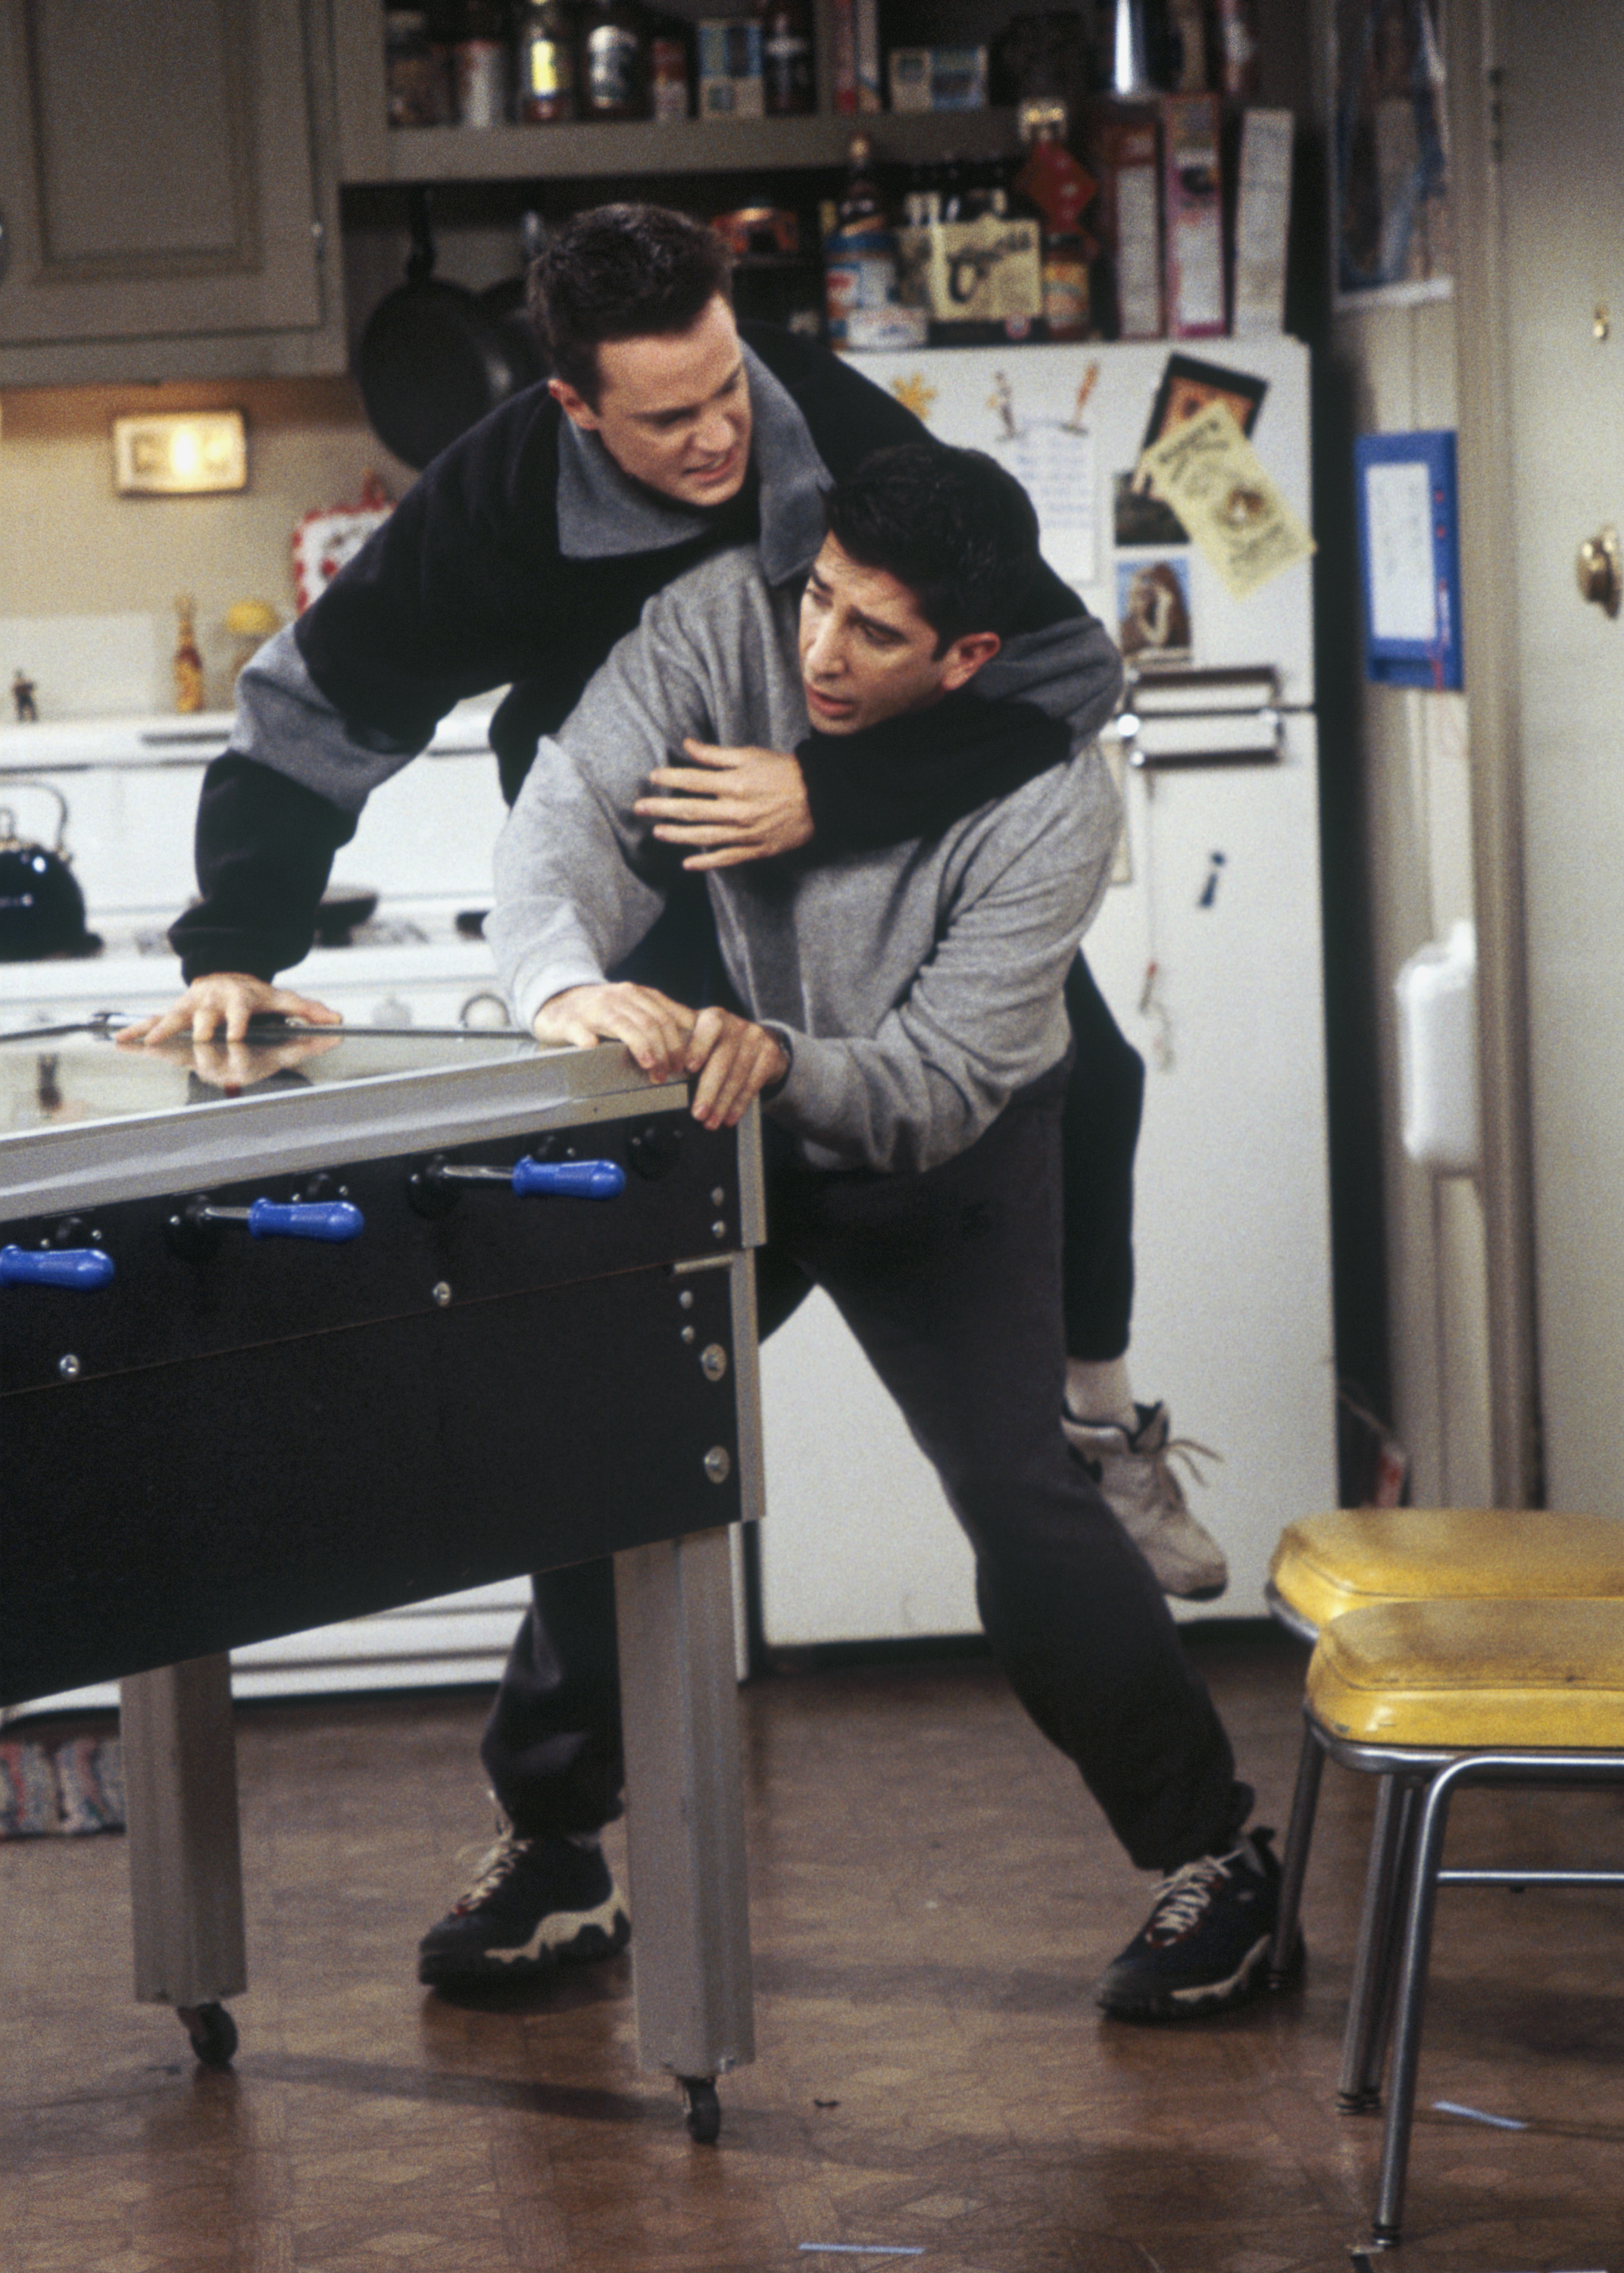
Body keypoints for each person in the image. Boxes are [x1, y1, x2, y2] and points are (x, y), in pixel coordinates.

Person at [120, 201, 1224, 1602]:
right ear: (575, 407)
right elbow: (316, 710)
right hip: (651, 880)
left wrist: (829, 793)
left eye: (726, 390)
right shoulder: (495, 500)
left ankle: (1099, 1428)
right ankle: (584, 1653)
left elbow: (1067, 673)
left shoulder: (823, 416)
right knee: (635, 1314)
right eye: (668, 418)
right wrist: (234, 944)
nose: (718, 439)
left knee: (1096, 1073)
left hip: (871, 844)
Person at [426, 440, 1290, 2023]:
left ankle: (1218, 1862)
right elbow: (563, 817)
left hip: (944, 1150)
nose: (818, 651)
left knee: (1021, 1497)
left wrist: (787, 1059)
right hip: (716, 1109)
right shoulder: (719, 624)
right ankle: (554, 1844)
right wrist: (561, 984)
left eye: (873, 632)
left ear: (967, 656)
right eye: (817, 599)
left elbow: (940, 1085)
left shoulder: (1050, 804)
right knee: (600, 1440)